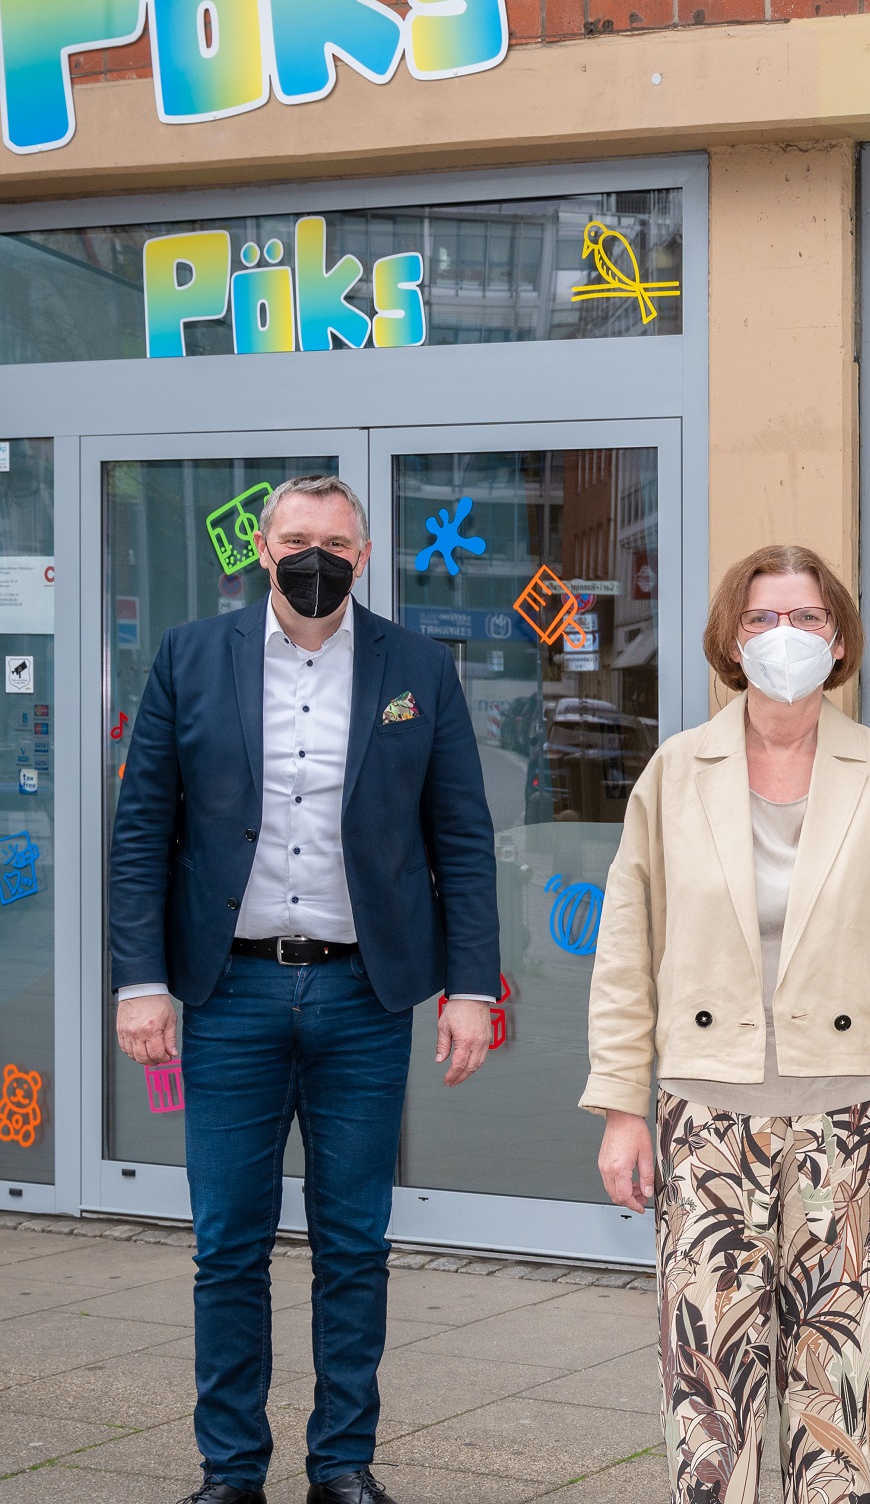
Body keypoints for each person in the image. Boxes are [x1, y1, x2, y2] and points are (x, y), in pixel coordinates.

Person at [110, 475, 501, 1504]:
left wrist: (471, 987)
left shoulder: (418, 668)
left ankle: (342, 1464)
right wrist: (140, 980)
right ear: (263, 549)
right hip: (229, 993)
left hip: (362, 998)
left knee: (355, 1244)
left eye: (333, 541)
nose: (312, 556)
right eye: (294, 539)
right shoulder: (191, 656)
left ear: (363, 555)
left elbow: (461, 837)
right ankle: (231, 1469)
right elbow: (143, 829)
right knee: (227, 1246)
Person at [583, 544, 870, 1504]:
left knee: (835, 1372)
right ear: (732, 640)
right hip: (706, 1115)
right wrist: (622, 1108)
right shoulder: (675, 773)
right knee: (709, 1379)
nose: (784, 635)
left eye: (807, 617)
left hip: (852, 1113)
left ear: (839, 640)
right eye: (762, 617)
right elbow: (626, 952)